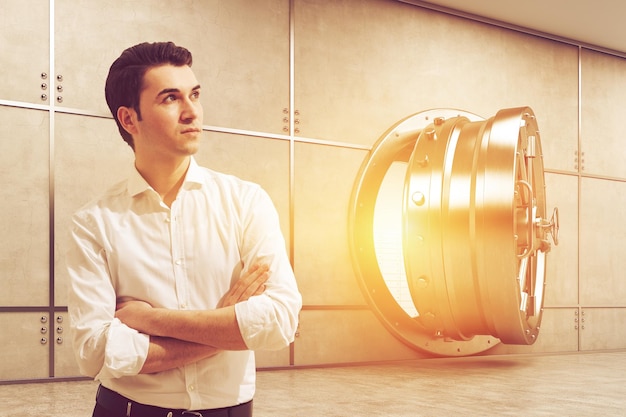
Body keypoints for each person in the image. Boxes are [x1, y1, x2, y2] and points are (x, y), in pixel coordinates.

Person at [66, 41, 302, 417]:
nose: (192, 112)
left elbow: (279, 320)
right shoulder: (94, 222)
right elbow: (95, 350)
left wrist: (149, 320)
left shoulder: (246, 202)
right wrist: (223, 326)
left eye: (194, 94)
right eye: (170, 98)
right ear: (129, 120)